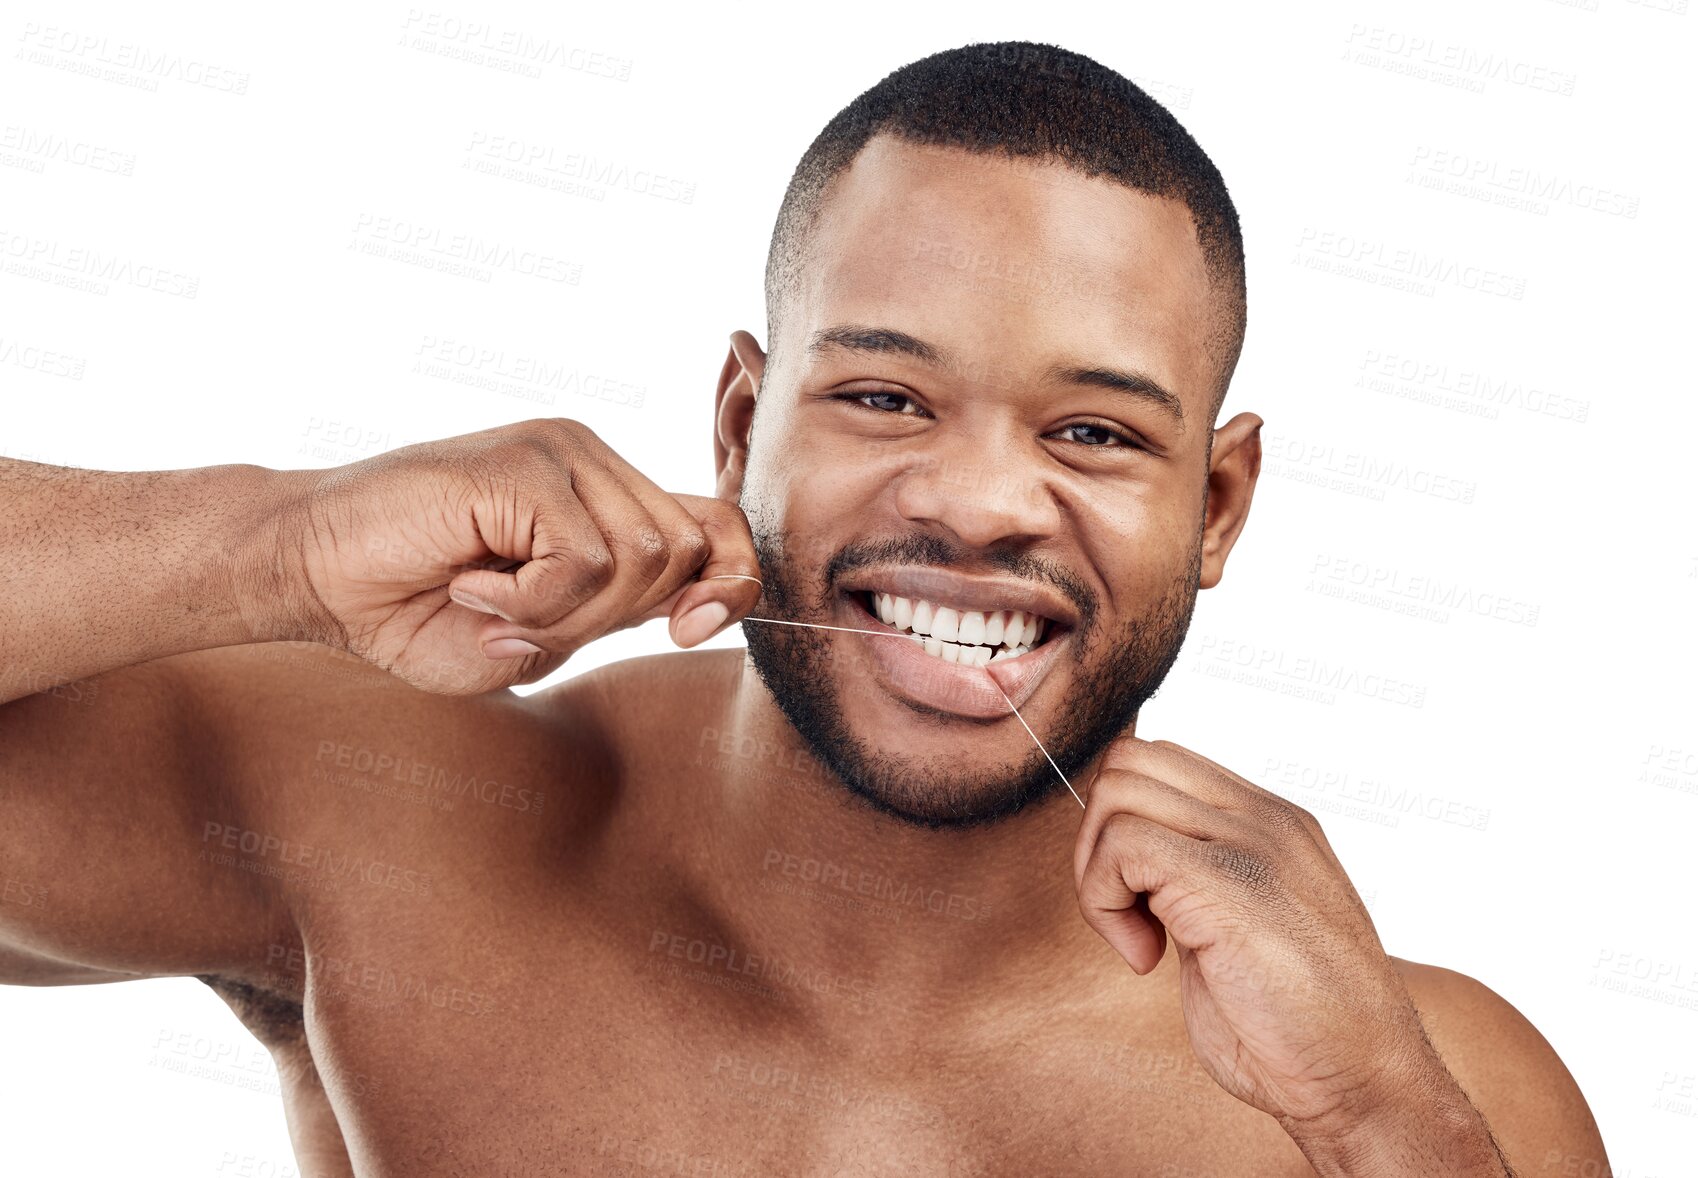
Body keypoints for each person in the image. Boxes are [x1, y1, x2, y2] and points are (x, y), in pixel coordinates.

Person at [0, 40, 1609, 1177]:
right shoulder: (390, 825)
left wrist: (1378, 1128)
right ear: (735, 427)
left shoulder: (1419, 1087)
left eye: (1094, 431)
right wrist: (275, 541)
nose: (979, 505)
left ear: (1217, 504)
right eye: (886, 396)